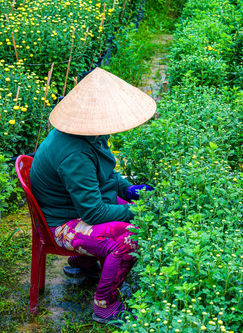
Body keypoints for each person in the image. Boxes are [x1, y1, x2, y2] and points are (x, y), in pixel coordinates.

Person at [30, 67, 156, 325]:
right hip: (61, 223)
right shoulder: (75, 153)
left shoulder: (89, 133)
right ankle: (104, 306)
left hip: (72, 206)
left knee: (127, 204)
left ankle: (83, 262)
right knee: (131, 236)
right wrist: (137, 212)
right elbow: (94, 213)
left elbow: (104, 174)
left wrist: (126, 189)